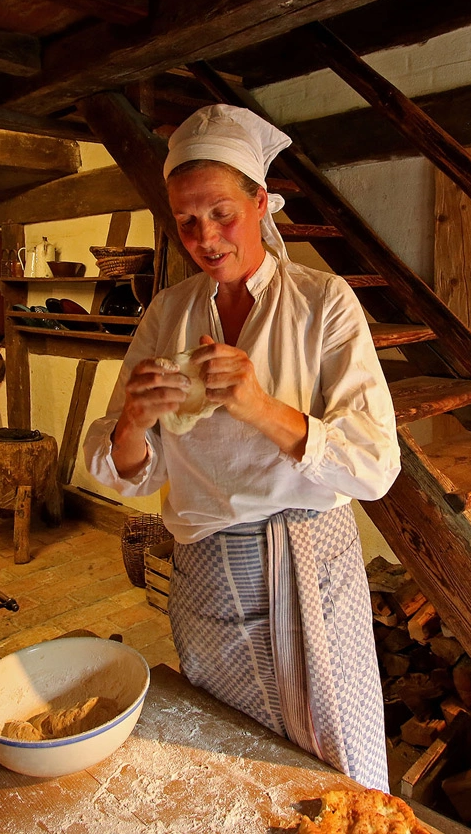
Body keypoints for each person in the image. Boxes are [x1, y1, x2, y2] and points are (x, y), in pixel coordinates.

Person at [83, 104, 400, 791]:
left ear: (261, 203)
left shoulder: (324, 302)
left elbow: (375, 463)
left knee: (334, 765)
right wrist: (135, 420)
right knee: (229, 761)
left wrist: (257, 405)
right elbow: (128, 470)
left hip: (310, 566)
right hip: (205, 569)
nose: (206, 236)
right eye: (188, 219)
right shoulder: (168, 312)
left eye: (221, 212)